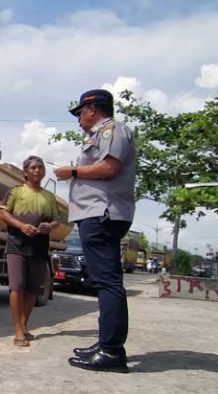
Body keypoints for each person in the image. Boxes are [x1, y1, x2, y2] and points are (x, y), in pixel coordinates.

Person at [55, 89, 136, 373]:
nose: (78, 118)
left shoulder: (111, 130)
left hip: (102, 213)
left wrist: (72, 171)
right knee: (105, 282)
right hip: (98, 214)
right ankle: (106, 344)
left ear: (92, 109)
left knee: (107, 283)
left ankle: (112, 351)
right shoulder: (102, 134)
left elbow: (109, 168)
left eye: (80, 113)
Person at [0, 155, 61, 347]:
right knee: (17, 286)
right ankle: (18, 331)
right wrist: (21, 225)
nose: (37, 170)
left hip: (40, 247)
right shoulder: (16, 192)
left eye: (40, 167)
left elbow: (57, 220)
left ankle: (24, 325)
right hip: (16, 244)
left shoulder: (49, 197)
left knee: (33, 288)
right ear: (25, 171)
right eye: (33, 167)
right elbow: (2, 212)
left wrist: (49, 226)